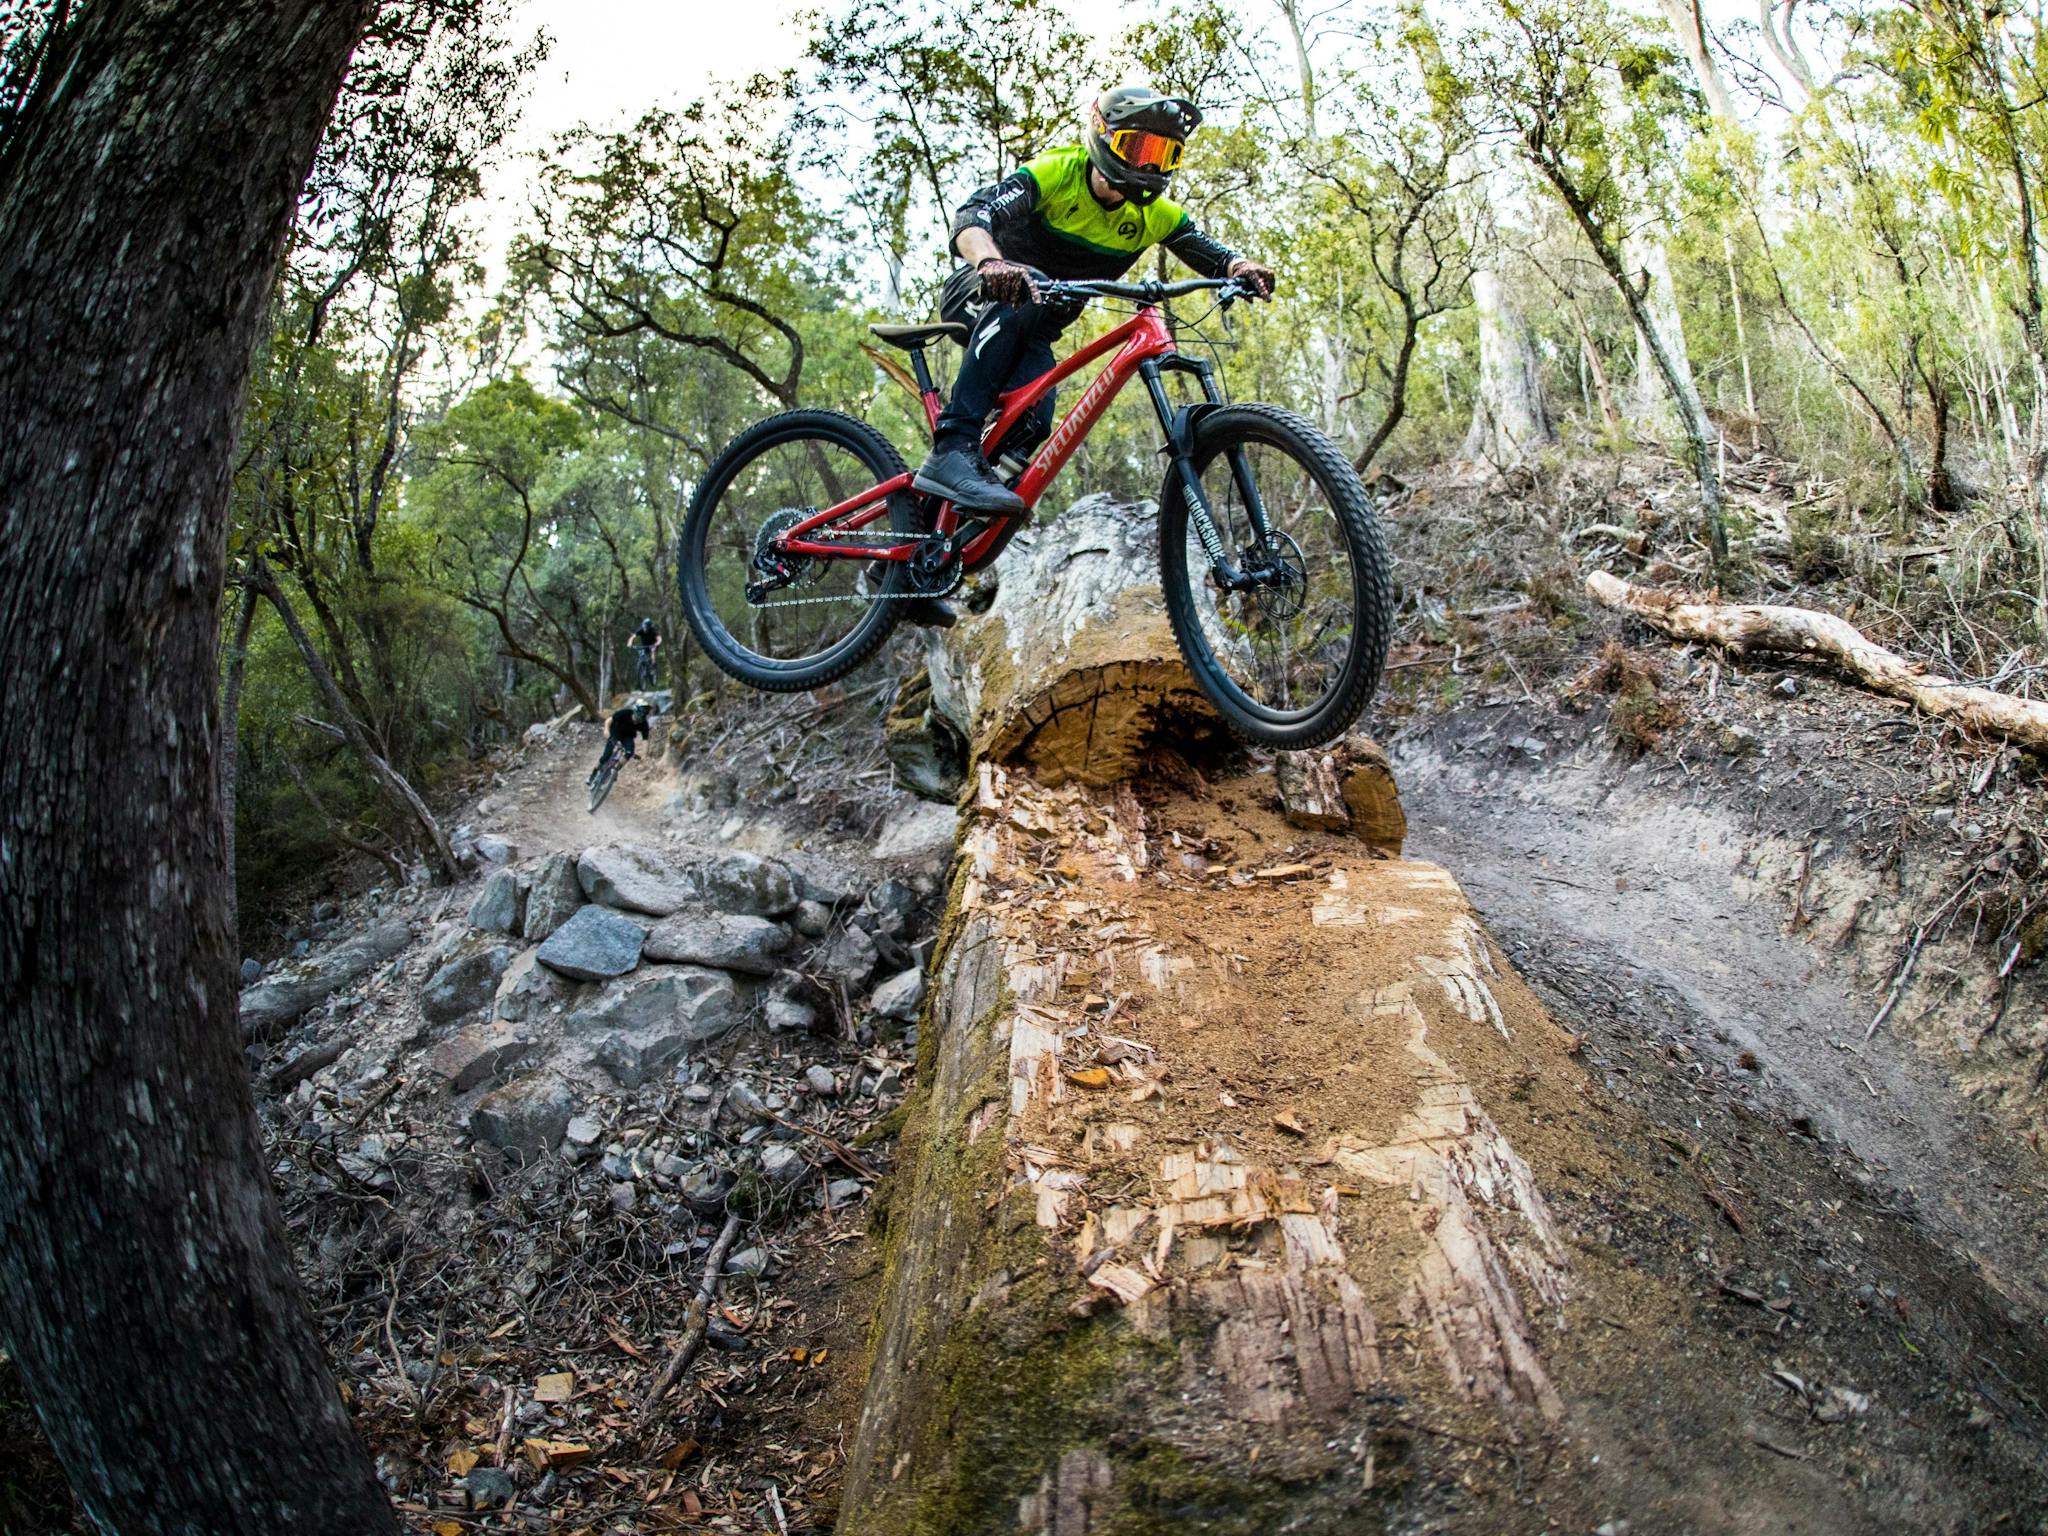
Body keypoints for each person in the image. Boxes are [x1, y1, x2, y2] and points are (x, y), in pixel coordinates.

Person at [913, 85, 1275, 518]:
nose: (1149, 164)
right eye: (1139, 146)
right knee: (1030, 289)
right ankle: (952, 447)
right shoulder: (1058, 173)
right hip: (979, 295)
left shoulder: (1154, 215)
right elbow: (973, 216)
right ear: (1104, 138)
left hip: (1035, 332)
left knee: (1035, 418)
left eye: (1164, 154)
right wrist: (991, 263)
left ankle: (934, 527)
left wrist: (1240, 267)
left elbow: (1211, 252)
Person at [590, 701, 651, 783]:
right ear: (636, 710)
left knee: (629, 752)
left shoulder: (644, 724)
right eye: (643, 712)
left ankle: (615, 770)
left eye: (645, 713)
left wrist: (644, 755)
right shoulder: (624, 713)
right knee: (606, 755)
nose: (644, 715)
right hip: (615, 732)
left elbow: (645, 740)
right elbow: (609, 721)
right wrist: (606, 730)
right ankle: (593, 774)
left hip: (628, 736)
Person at [628, 616, 661, 687]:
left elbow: (659, 639)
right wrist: (630, 643)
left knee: (652, 651)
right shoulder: (641, 630)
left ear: (649, 627)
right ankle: (642, 666)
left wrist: (656, 644)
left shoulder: (653, 630)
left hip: (653, 645)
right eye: (644, 626)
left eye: (646, 627)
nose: (644, 628)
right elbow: (633, 637)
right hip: (644, 646)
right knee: (641, 653)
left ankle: (653, 666)